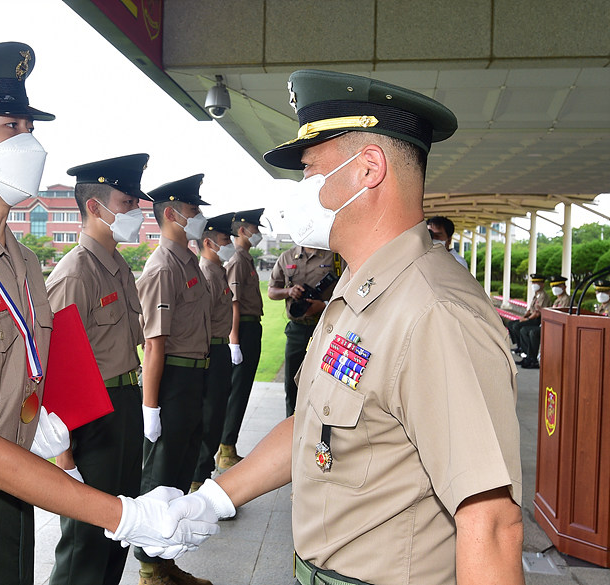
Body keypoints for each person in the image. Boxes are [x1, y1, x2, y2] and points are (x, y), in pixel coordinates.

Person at [0, 43, 211, 585]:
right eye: (10, 128)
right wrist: (125, 513)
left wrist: (38, 423)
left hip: (12, 502)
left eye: (31, 127)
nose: (30, 143)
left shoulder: (21, 261)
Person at [165, 69, 524, 585]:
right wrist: (212, 500)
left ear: (368, 169)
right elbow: (315, 426)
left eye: (309, 171)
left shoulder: (434, 313)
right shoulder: (361, 288)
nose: (301, 189)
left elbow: (490, 523)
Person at [45, 153, 151, 585]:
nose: (138, 214)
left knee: (118, 526)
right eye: (127, 203)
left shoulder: (119, 266)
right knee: (87, 537)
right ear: (95, 207)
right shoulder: (75, 274)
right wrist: (65, 456)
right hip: (91, 414)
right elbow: (55, 369)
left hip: (123, 404)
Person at [135, 175, 213, 585]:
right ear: (171, 214)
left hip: (194, 376)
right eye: (193, 210)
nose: (199, 217)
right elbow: (154, 344)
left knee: (181, 469)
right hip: (174, 380)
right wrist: (152, 407)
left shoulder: (188, 262)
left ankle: (166, 561)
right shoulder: (163, 265)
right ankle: (150, 566)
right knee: (161, 473)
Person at [268, 247, 343, 416]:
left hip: (327, 327)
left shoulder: (335, 257)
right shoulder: (287, 257)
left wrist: (323, 304)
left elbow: (349, 287)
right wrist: (289, 291)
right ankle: (292, 424)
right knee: (292, 383)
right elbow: (272, 291)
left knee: (325, 381)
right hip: (297, 330)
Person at [216, 208, 264, 472]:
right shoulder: (236, 259)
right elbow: (233, 303)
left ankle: (228, 445)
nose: (257, 233)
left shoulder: (245, 259)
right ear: (243, 230)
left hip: (250, 328)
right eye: (255, 228)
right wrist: (234, 341)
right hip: (242, 329)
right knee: (237, 391)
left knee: (243, 390)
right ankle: (225, 448)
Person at [192, 212, 236, 492]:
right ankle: (198, 479)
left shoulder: (218, 270)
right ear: (208, 242)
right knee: (208, 419)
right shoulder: (207, 273)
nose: (230, 243)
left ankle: (204, 473)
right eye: (224, 239)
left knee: (217, 414)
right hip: (210, 351)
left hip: (220, 349)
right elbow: (202, 320)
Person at [519, 275, 570, 369]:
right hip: (550, 325)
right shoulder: (558, 300)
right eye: (554, 286)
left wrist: (541, 311)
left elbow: (560, 316)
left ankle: (533, 359)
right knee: (527, 331)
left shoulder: (566, 299)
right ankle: (530, 357)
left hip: (557, 328)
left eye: (558, 286)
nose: (555, 289)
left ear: (564, 287)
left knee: (533, 332)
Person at [507, 273, 549, 356]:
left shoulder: (543, 296)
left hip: (537, 320)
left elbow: (537, 313)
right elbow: (530, 309)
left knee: (518, 327)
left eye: (536, 283)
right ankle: (519, 346)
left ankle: (525, 350)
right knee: (511, 324)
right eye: (533, 283)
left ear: (542, 284)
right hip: (532, 317)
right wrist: (523, 317)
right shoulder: (537, 295)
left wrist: (527, 319)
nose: (534, 285)